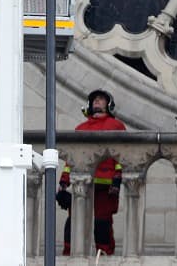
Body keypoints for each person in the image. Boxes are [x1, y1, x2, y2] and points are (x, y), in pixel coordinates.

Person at [57, 89, 127, 256]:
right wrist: (63, 183)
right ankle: (69, 255)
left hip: (106, 185)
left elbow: (122, 155)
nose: (97, 101)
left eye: (101, 99)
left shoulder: (116, 126)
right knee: (73, 222)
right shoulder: (81, 128)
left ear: (108, 105)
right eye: (95, 99)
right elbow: (71, 159)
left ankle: (103, 256)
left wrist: (117, 179)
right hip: (81, 183)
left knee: (102, 224)